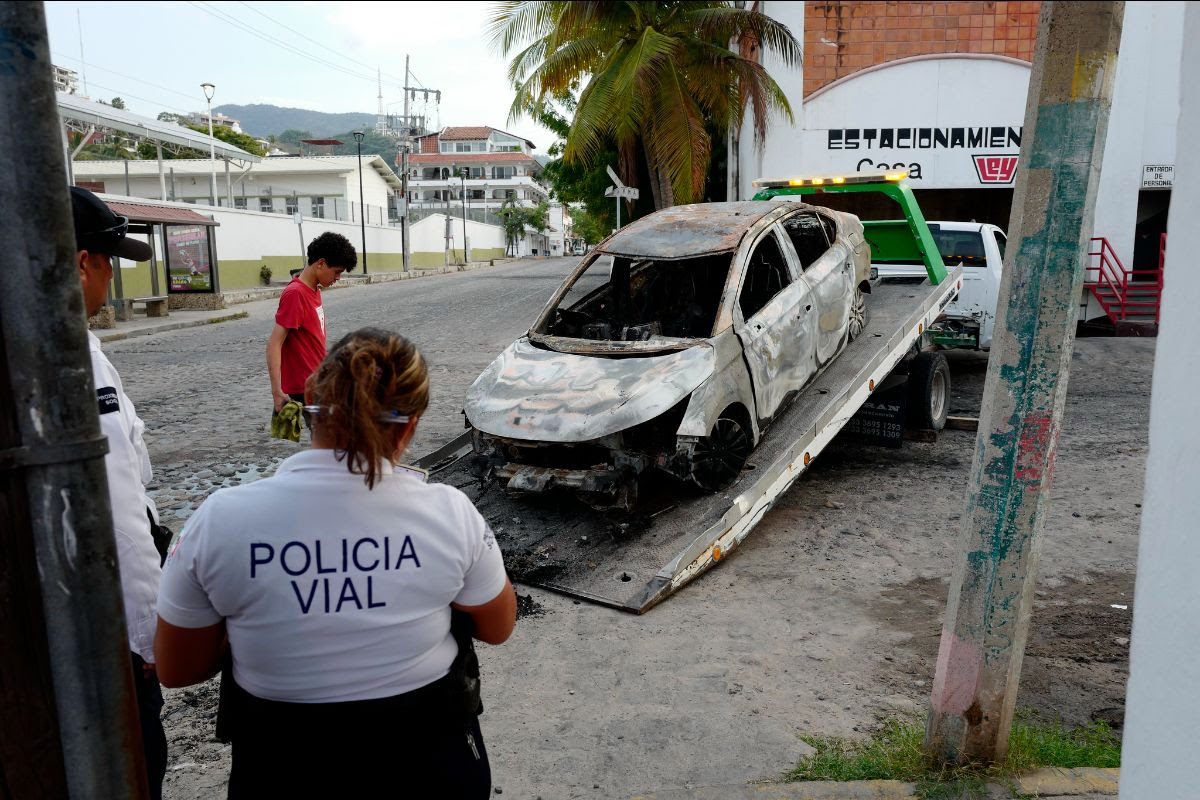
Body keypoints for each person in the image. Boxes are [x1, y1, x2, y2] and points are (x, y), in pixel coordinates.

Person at [156, 327, 516, 798]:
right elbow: (497, 626)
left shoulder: (221, 519)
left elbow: (177, 668)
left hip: (283, 766)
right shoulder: (449, 512)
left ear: (309, 399)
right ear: (409, 426)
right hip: (429, 762)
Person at [70, 185, 168, 799]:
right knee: (132, 765)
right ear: (84, 262)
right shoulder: (70, 358)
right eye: (108, 263)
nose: (110, 280)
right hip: (96, 620)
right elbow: (118, 511)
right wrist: (149, 630)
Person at [266, 232, 356, 413]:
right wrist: (277, 391)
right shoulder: (296, 294)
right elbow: (274, 344)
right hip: (307, 388)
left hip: (320, 381)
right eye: (337, 271)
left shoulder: (313, 289)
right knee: (333, 439)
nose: (338, 278)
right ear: (321, 264)